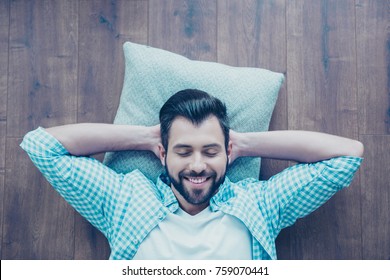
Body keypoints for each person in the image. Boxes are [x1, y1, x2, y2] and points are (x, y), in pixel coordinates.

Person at [20, 89, 364, 260]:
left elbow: (348, 156)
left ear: (226, 152)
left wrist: (243, 143)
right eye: (183, 151)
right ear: (163, 153)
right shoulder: (126, 200)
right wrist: (144, 136)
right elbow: (41, 147)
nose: (197, 165)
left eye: (210, 151)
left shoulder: (259, 204)